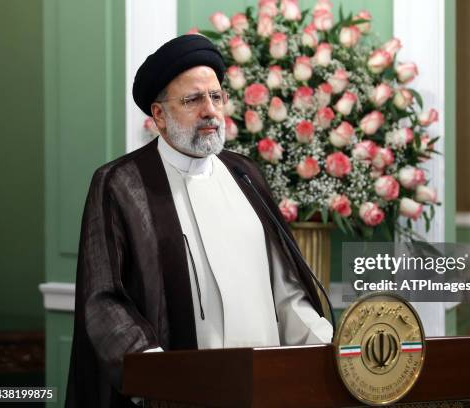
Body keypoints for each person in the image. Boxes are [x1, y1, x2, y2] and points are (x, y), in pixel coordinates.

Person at [65, 34, 333, 408]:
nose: (210, 110)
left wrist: (330, 350)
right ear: (159, 115)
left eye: (216, 97)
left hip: (269, 391)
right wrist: (159, 378)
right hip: (181, 397)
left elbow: (286, 294)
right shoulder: (122, 184)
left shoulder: (244, 174)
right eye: (192, 100)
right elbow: (103, 300)